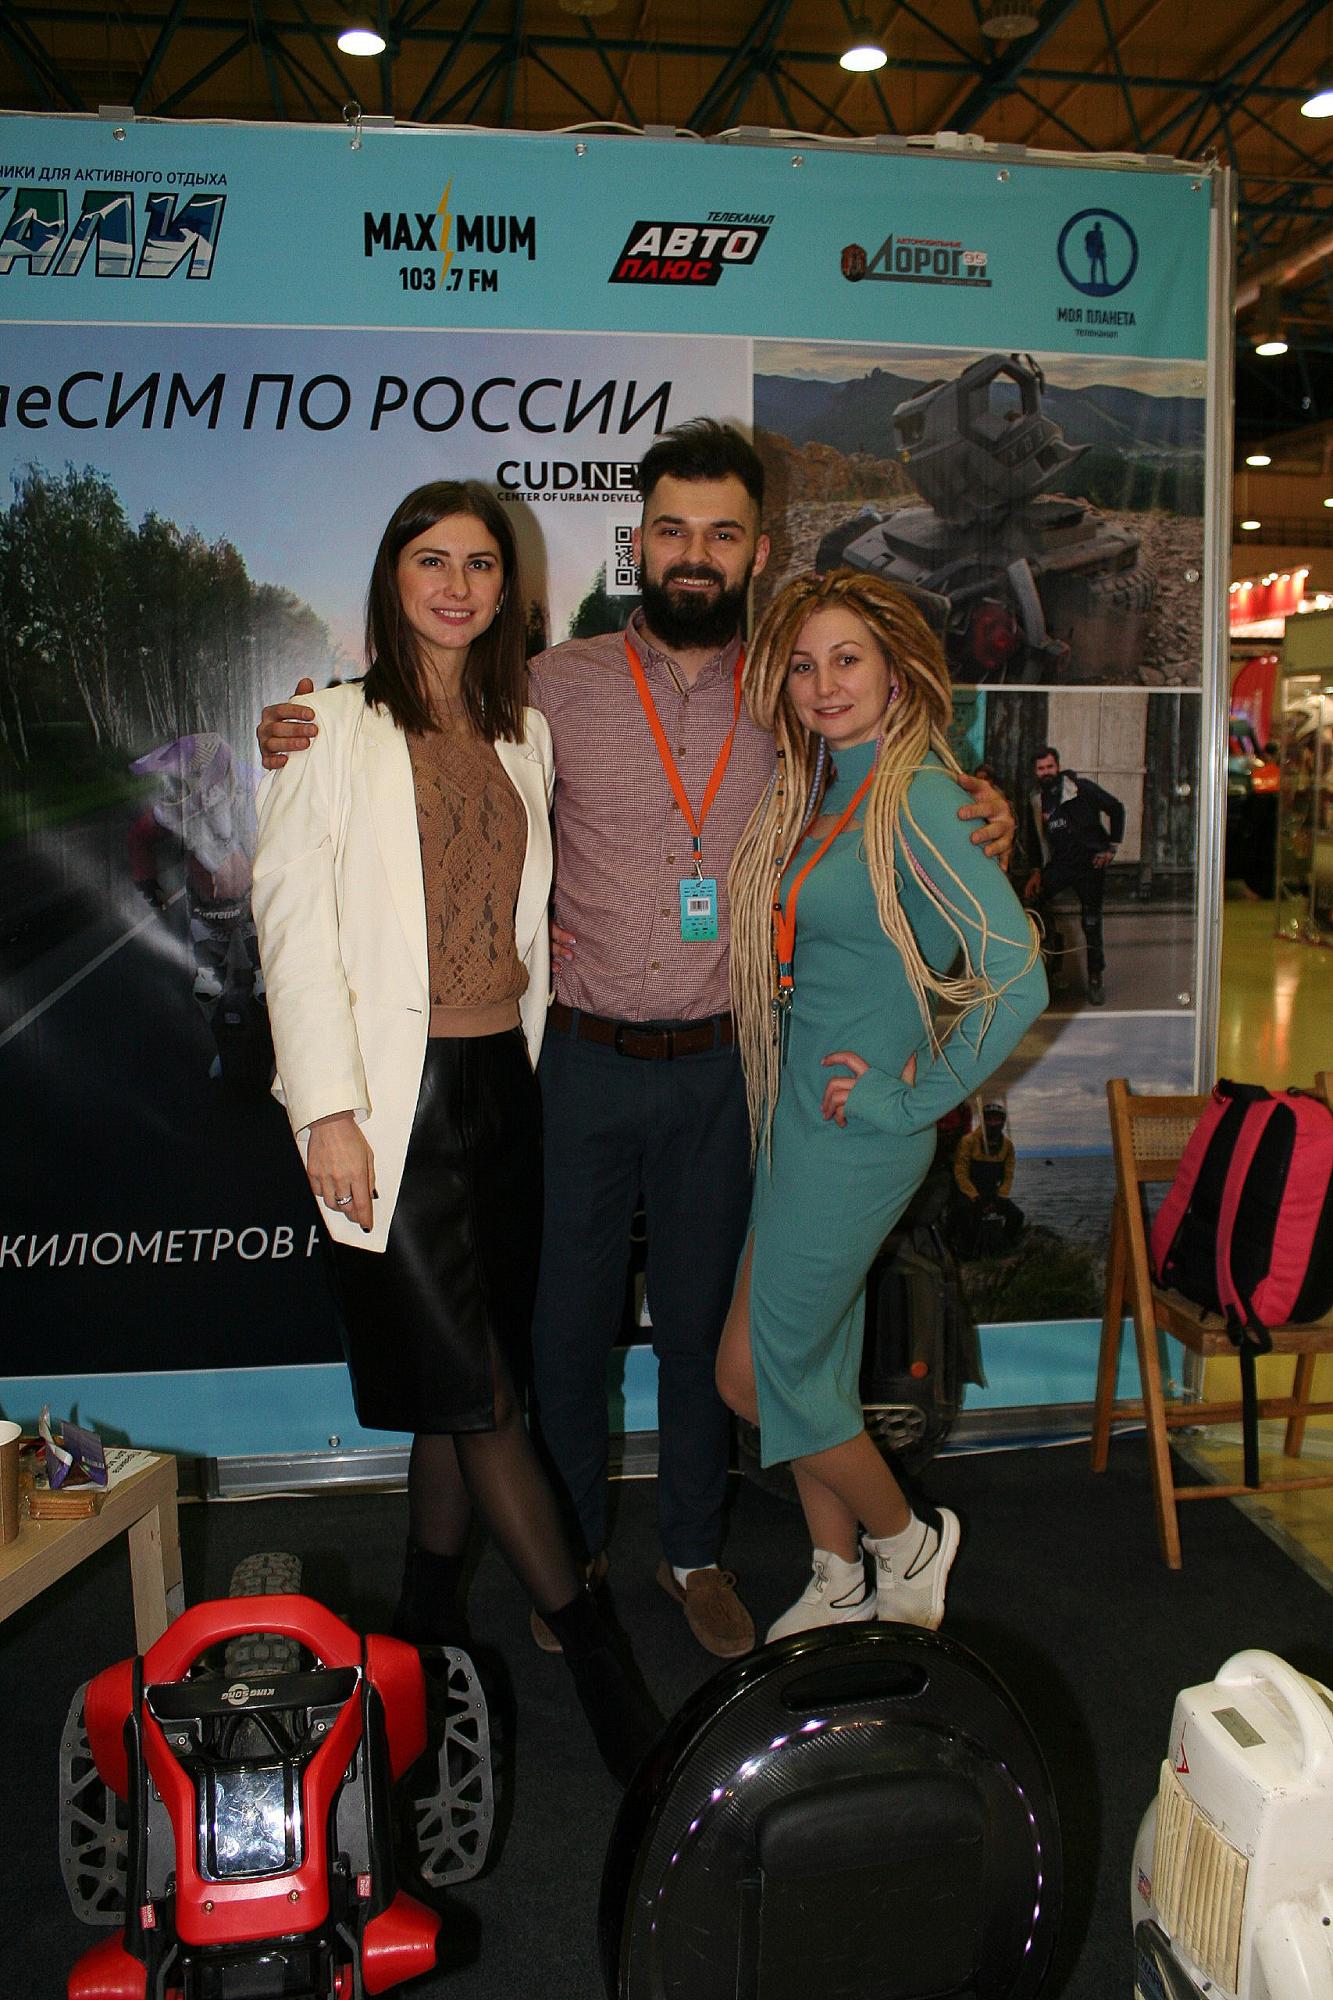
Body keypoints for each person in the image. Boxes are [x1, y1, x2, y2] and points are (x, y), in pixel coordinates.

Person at [256, 421, 1017, 1661]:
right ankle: (574, 1553)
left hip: (725, 1066)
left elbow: (888, 769)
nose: (694, 553)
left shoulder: (788, 696)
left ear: (757, 549)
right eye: (671, 530)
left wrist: (981, 804)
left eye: (721, 533)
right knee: (561, 1330)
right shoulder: (547, 687)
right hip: (577, 1063)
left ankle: (694, 1551)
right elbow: (413, 735)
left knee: (702, 1328)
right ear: (640, 543)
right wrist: (293, 729)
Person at [250, 480, 659, 1785]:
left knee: (459, 1390)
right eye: (432, 559)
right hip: (389, 1102)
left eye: (480, 563)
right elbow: (291, 933)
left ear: (507, 590)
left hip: (501, 1089)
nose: (457, 584)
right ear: (394, 576)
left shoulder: (522, 731)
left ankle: (417, 1642)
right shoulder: (326, 727)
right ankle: (611, 1689)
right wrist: (326, 1111)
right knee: (485, 1403)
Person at [717, 569, 1047, 1642]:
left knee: (752, 1379)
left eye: (847, 659)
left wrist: (912, 1100)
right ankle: (836, 1574)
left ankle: (905, 1541)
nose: (824, 684)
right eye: (803, 665)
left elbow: (1016, 976)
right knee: (802, 1367)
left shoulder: (921, 798)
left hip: (855, 1134)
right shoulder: (829, 790)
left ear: (896, 671)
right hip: (797, 1121)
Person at [1022, 745, 1125, 1006]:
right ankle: (1053, 968)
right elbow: (1034, 839)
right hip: (1061, 864)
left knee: (1091, 922)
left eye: (1050, 766)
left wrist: (1111, 847)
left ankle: (1095, 978)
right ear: (1035, 772)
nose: (1046, 772)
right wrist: (1036, 871)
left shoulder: (1081, 788)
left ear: (1058, 766)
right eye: (1041, 768)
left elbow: (1116, 808)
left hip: (1090, 864)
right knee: (1033, 904)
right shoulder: (1037, 800)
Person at [951, 1097, 1025, 1256]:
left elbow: (1008, 1175)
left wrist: (1001, 1196)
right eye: (989, 1119)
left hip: (992, 1193)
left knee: (1017, 1216)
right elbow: (961, 1172)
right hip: (969, 1192)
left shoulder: (1007, 1145)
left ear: (1003, 1122)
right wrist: (975, 1197)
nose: (993, 1123)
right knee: (964, 1215)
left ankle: (1003, 1246)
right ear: (983, 1121)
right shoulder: (968, 1141)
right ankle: (967, 1255)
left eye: (997, 1119)